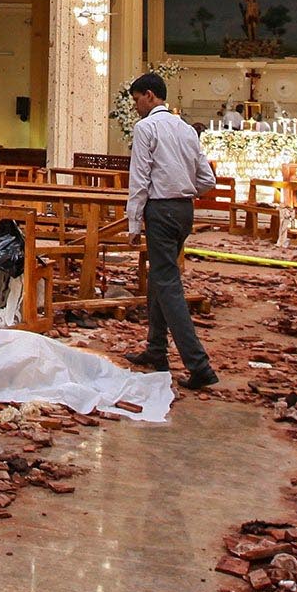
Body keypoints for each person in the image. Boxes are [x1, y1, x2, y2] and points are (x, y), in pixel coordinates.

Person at [122, 71, 217, 390]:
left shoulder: (146, 127)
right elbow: (207, 179)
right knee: (160, 277)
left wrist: (133, 221)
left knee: (168, 282)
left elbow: (140, 178)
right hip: (184, 209)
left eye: (136, 100)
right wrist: (185, 190)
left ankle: (198, 364)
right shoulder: (186, 128)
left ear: (149, 95)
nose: (135, 106)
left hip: (160, 209)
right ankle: (156, 349)